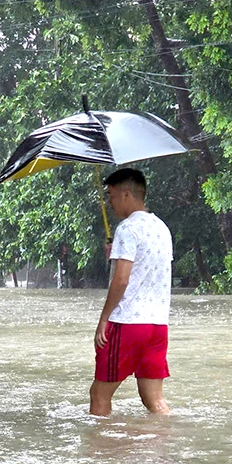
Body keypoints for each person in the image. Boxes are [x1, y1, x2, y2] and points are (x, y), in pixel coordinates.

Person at [90, 168, 172, 417]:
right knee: (154, 398)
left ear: (126, 194)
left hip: (128, 323)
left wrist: (104, 318)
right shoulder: (161, 228)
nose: (109, 202)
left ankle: (100, 453)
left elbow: (122, 280)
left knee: (99, 394)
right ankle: (162, 450)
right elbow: (146, 268)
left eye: (111, 196)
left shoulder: (127, 229)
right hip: (157, 325)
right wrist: (115, 256)